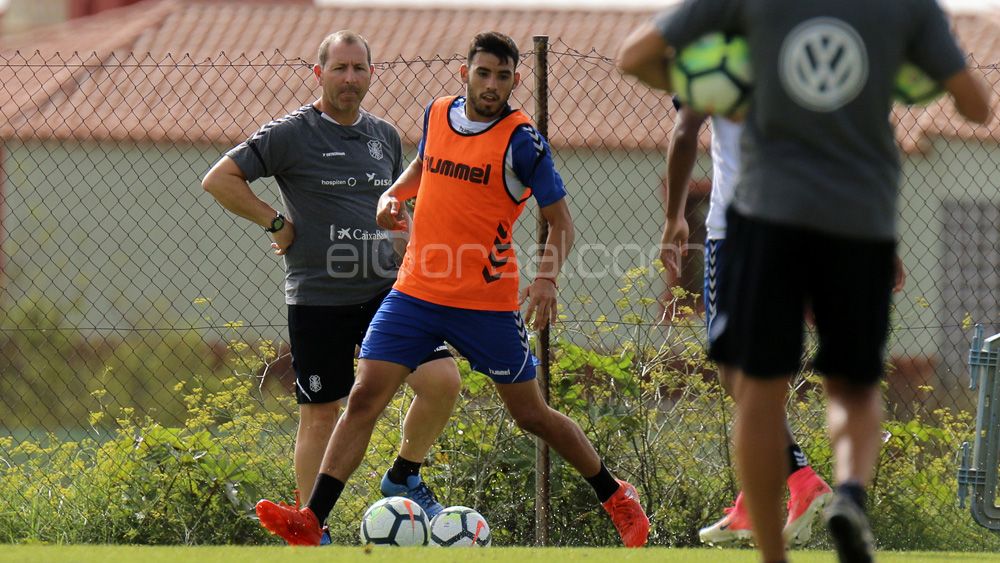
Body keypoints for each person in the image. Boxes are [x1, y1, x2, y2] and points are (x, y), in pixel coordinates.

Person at [618, 2, 992, 562]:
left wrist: (724, 89)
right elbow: (975, 106)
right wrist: (910, 75)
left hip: (762, 222)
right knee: (853, 385)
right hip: (858, 223)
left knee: (754, 389)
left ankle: (777, 549)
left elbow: (636, 57)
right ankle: (848, 494)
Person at [253, 31, 650, 548]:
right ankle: (311, 520)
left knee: (531, 415)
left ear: (513, 81)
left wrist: (547, 277)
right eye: (483, 74)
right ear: (464, 74)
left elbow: (561, 221)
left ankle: (616, 495)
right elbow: (424, 166)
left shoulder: (522, 140)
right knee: (365, 397)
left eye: (502, 77)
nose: (491, 85)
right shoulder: (437, 113)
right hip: (415, 293)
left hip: (484, 303)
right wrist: (393, 195)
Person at [201, 30, 463, 540]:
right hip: (318, 297)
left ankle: (403, 475)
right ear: (318, 74)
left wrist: (410, 245)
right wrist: (277, 223)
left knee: (442, 383)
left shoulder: (384, 136)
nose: (349, 79)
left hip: (389, 293)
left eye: (358, 69)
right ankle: (313, 533)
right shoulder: (291, 133)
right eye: (339, 69)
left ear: (371, 74)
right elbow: (220, 179)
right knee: (321, 414)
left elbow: (399, 205)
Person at [662, 104, 833, 546]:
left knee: (733, 369)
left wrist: (674, 216)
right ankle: (752, 504)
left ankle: (800, 478)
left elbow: (684, 132)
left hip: (736, 233)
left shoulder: (716, 49)